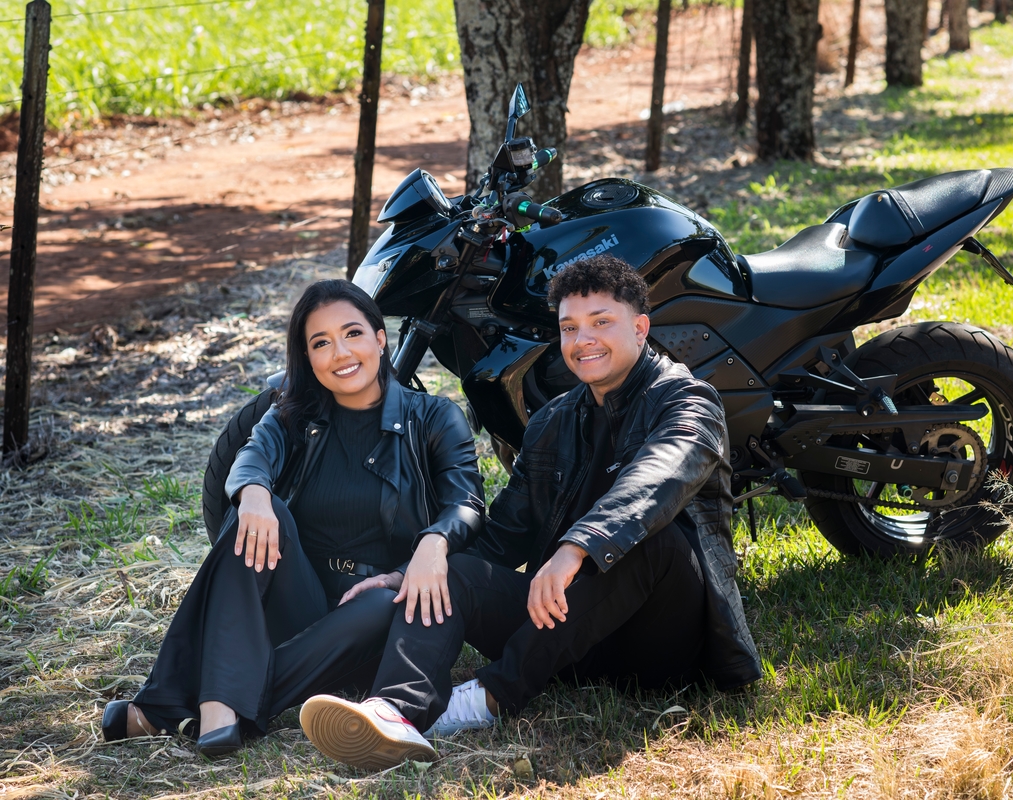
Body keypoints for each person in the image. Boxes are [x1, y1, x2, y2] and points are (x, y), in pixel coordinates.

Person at [298, 256, 762, 770]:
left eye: (601, 322)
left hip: (661, 643)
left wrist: (576, 547)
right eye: (569, 327)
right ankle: (396, 711)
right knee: (453, 570)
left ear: (640, 327)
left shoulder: (689, 400)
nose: (583, 340)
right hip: (569, 635)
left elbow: (657, 477)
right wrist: (406, 572)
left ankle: (488, 697)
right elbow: (501, 537)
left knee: (654, 539)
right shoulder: (553, 420)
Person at [100, 279, 485, 757]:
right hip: (300, 602)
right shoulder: (294, 414)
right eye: (321, 343)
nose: (341, 353)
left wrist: (432, 544)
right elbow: (252, 456)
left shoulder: (434, 417)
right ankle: (219, 703)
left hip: (376, 610)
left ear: (380, 338)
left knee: (386, 602)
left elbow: (467, 502)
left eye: (353, 334)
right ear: (307, 356)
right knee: (261, 516)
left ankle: (191, 704)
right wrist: (254, 495)